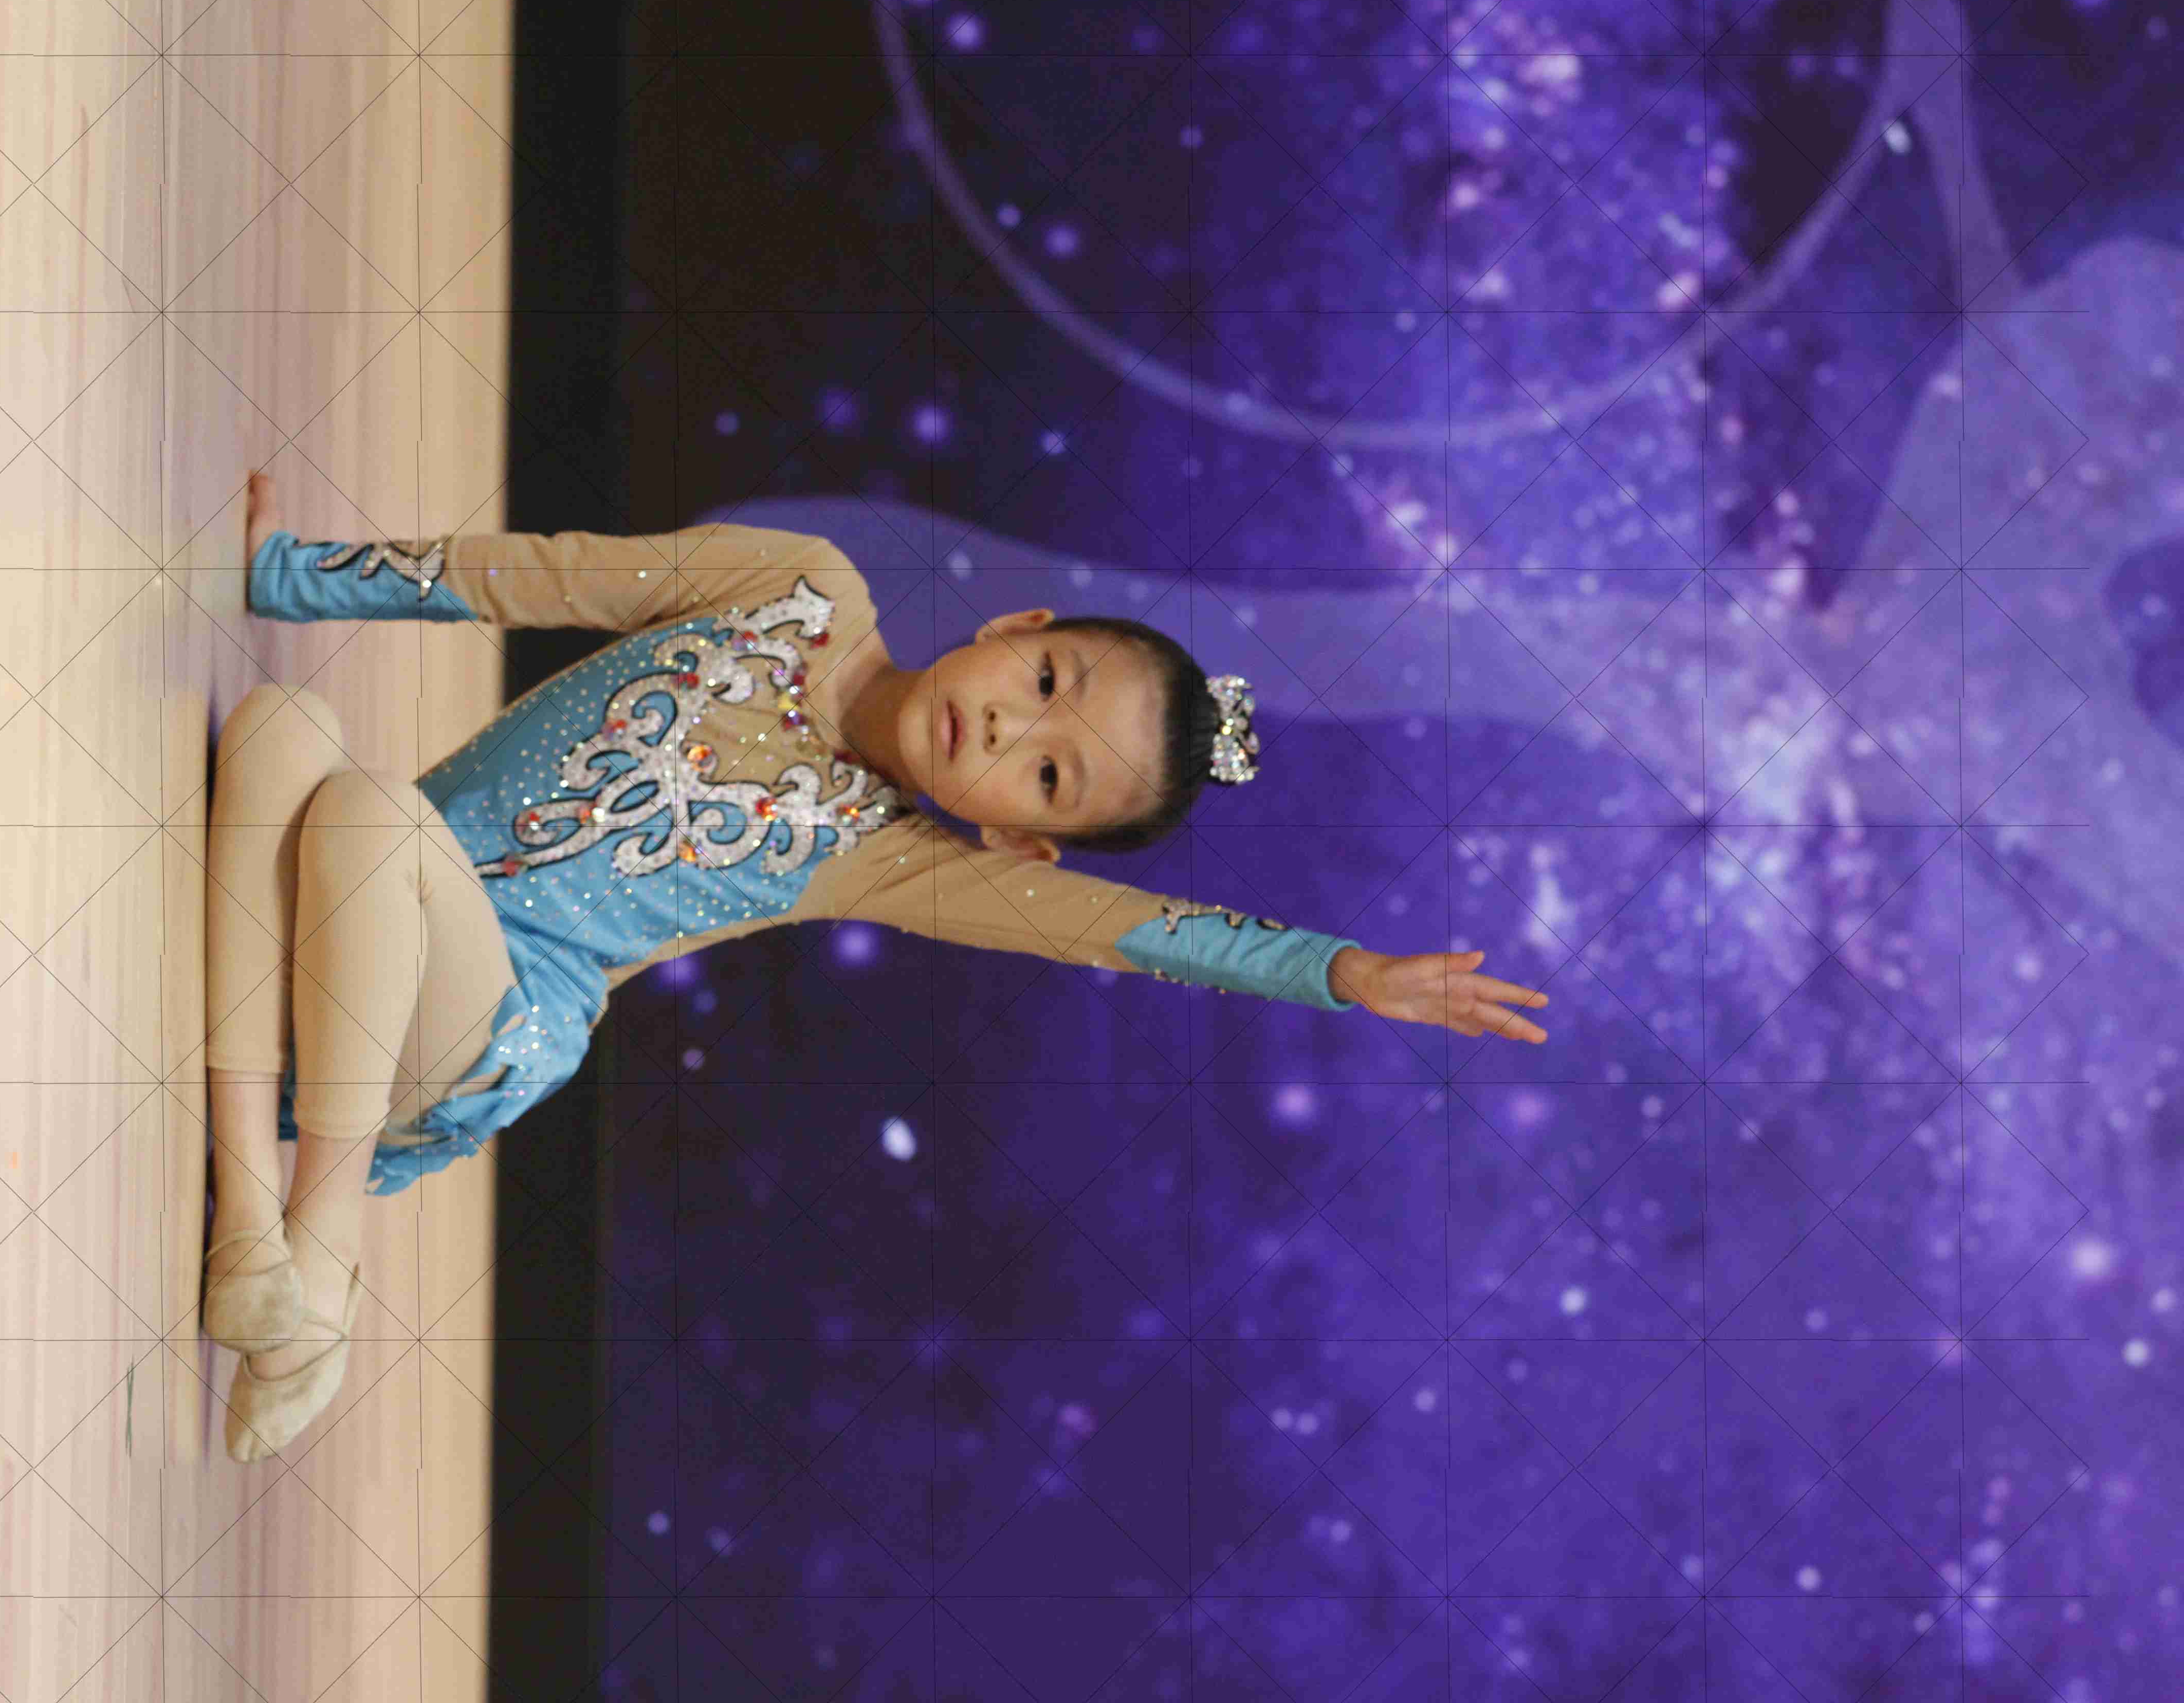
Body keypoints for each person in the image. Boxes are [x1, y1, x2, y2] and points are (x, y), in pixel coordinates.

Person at [203, 472, 1553, 1458]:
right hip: (361, 921)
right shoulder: (800, 587)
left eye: (1048, 774)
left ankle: (317, 1253)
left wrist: (1342, 974)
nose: (1010, 728)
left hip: (475, 1020)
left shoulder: (888, 856)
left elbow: (1125, 932)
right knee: (279, 728)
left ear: (1017, 837)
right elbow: (551, 574)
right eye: (1049, 683)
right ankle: (254, 1222)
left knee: (369, 818)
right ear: (1015, 626)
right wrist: (300, 577)